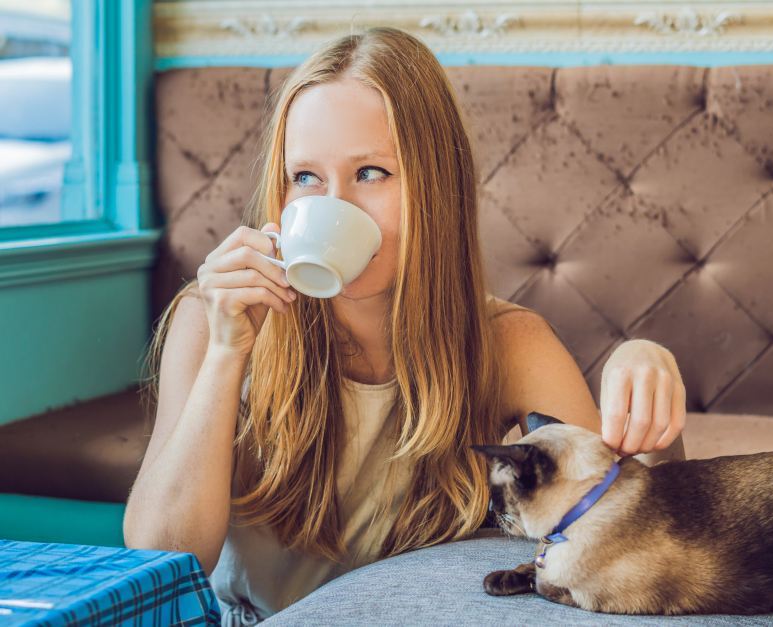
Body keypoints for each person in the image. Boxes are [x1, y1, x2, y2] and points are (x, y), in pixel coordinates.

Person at [123, 27, 686, 625]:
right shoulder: (212, 319)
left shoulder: (508, 343)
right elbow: (162, 560)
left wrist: (649, 369)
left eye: (370, 173)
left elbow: (632, 527)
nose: (334, 206)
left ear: (434, 188)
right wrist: (225, 355)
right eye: (305, 178)